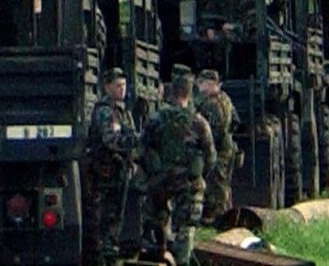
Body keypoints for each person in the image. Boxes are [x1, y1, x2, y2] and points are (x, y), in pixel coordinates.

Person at [139, 73, 214, 266]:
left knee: (156, 222)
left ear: (172, 92)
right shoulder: (199, 122)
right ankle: (181, 261)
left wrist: (152, 174)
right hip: (189, 184)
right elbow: (210, 156)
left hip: (161, 183)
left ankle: (157, 257)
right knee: (186, 229)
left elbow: (143, 148)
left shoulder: (156, 118)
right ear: (190, 93)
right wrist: (200, 176)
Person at [84, 67, 139, 265]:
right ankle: (104, 257)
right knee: (105, 218)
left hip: (119, 172)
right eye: (117, 85)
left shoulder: (122, 110)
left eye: (123, 85)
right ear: (107, 87)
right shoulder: (105, 111)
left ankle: (110, 254)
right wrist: (135, 141)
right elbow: (111, 140)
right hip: (105, 174)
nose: (121, 89)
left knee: (116, 217)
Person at [194, 69, 238, 223]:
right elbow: (236, 122)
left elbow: (214, 130)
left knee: (217, 185)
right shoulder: (226, 99)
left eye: (203, 84)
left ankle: (218, 218)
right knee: (224, 184)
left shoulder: (212, 104)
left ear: (211, 84)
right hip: (228, 147)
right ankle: (225, 214)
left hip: (219, 150)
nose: (200, 88)